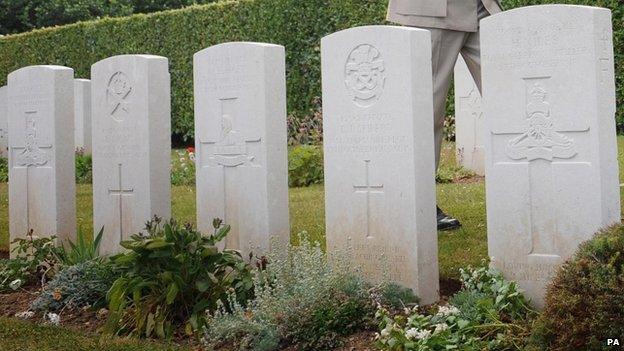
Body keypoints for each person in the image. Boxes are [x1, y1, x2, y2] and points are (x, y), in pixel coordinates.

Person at [386, 0, 503, 230]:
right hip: (430, 11)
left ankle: (530, 196)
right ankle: (417, 203)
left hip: (481, 8)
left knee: (512, 100)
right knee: (424, 113)